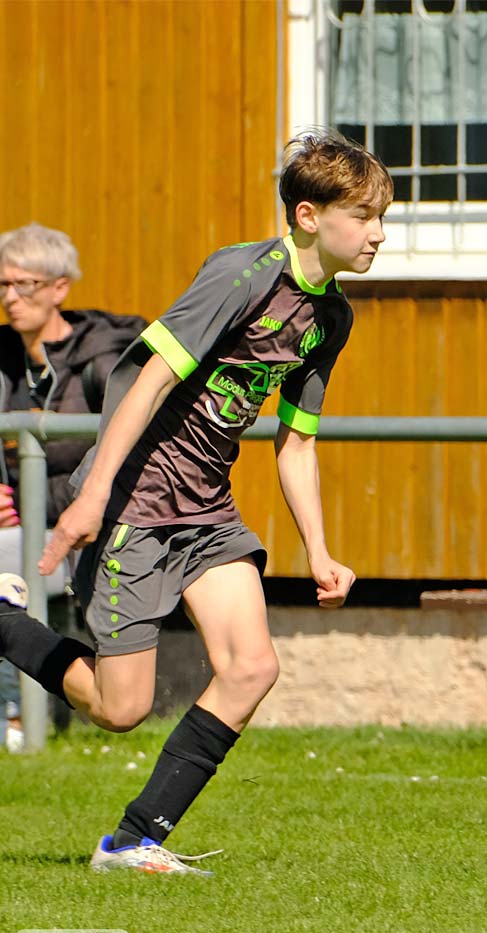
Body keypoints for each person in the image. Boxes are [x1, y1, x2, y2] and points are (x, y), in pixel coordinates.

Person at [0, 128, 391, 875]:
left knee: (251, 667)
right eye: (364, 216)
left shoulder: (333, 317)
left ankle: (131, 842)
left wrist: (320, 551)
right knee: (120, 709)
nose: (378, 234)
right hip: (134, 503)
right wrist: (93, 497)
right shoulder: (242, 273)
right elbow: (149, 380)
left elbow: (296, 443)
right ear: (309, 216)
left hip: (207, 509)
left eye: (383, 218)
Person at [0, 224, 146, 752]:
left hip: (89, 528)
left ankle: (18, 718)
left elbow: (133, 448)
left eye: (25, 285)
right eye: (4, 285)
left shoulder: (103, 360)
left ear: (60, 287)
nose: (11, 298)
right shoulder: (3, 358)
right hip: (23, 528)